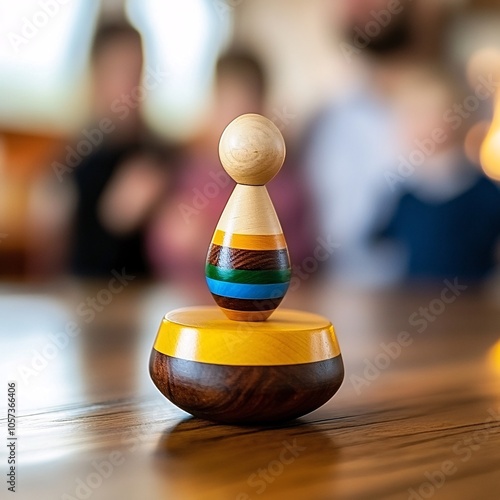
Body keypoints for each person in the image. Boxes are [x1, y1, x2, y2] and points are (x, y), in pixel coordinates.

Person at [146, 51, 317, 288]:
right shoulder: (188, 175)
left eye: (246, 107)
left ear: (263, 108)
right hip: (191, 299)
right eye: (227, 103)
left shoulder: (283, 186)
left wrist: (217, 247)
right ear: (212, 105)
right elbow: (163, 249)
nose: (234, 117)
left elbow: (300, 257)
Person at [67, 22, 175, 277]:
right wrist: (115, 219)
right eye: (121, 73)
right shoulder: (76, 164)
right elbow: (71, 274)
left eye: (138, 72)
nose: (132, 87)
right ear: (97, 77)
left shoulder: (161, 156)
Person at [376, 65, 500, 281]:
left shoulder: (485, 194)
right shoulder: (405, 196)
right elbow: (381, 240)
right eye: (410, 114)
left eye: (425, 113)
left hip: (473, 306)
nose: (416, 125)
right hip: (413, 302)